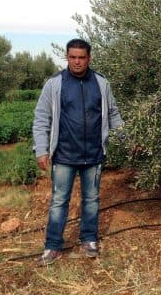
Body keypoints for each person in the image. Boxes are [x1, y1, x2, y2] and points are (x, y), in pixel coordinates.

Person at [32, 38, 123, 265]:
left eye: (81, 57)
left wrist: (125, 137)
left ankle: (89, 240)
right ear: (67, 57)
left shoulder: (101, 83)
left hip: (93, 154)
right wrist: (41, 149)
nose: (77, 62)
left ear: (89, 58)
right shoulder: (55, 83)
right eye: (72, 57)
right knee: (59, 201)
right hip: (64, 155)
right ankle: (52, 246)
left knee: (91, 199)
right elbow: (42, 117)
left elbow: (112, 114)